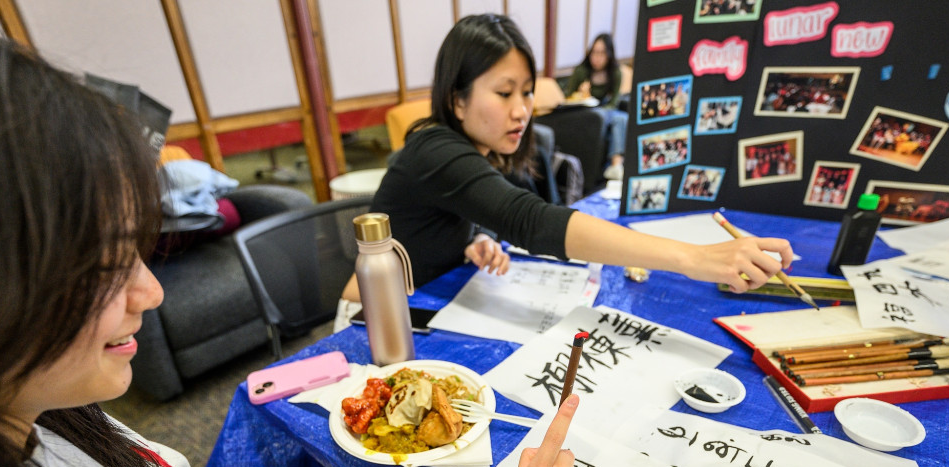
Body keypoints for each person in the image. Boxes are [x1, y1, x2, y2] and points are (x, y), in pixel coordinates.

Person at [0, 26, 582, 467]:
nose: (149, 291)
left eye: (525, 93)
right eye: (103, 263)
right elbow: (532, 220)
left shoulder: (42, 416)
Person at [339, 14, 793, 308]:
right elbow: (529, 221)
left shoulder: (479, 147)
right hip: (374, 317)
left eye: (527, 90)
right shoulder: (435, 150)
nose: (522, 109)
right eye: (504, 93)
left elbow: (441, 217)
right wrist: (694, 258)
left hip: (434, 299)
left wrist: (470, 237)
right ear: (457, 101)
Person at [564, 33, 629, 181]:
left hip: (605, 110)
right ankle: (615, 166)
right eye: (594, 52)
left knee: (621, 118)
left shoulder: (615, 72)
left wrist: (603, 111)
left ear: (609, 54)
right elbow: (568, 97)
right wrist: (581, 94)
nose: (596, 57)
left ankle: (615, 166)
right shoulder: (582, 71)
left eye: (601, 53)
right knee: (614, 119)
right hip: (584, 112)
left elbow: (614, 102)